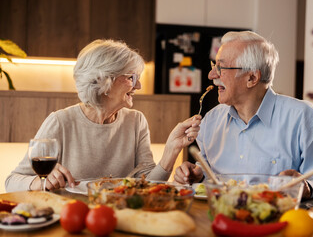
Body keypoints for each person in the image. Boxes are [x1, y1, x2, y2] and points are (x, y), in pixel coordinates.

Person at [5, 39, 201, 192]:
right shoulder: (60, 122)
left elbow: (147, 185)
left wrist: (171, 150)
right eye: (131, 78)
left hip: (119, 217)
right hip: (73, 218)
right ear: (104, 81)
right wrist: (43, 182)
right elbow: (12, 180)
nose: (139, 86)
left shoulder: (136, 121)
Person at [174, 31, 313, 199]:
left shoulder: (303, 118)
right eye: (214, 66)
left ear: (252, 77)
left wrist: (306, 187)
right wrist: (197, 175)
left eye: (221, 68)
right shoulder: (210, 121)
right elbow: (207, 174)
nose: (211, 75)